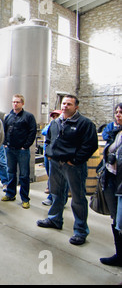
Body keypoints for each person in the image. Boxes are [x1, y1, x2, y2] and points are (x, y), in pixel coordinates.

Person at [37, 95, 98, 246]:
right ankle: (54, 219)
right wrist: (50, 155)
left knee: (78, 198)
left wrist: (75, 160)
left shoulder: (84, 123)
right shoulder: (56, 122)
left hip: (73, 167)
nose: (65, 106)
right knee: (56, 193)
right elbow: (50, 139)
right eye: (64, 103)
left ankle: (80, 231)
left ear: (76, 107)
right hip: (56, 164)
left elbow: (90, 145)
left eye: (69, 104)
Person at [1, 94, 37, 209]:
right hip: (10, 150)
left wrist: (25, 146)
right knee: (11, 173)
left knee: (24, 175)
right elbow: (4, 130)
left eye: (17, 102)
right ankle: (10, 194)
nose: (15, 104)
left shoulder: (28, 116)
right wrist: (5, 144)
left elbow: (32, 132)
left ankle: (25, 199)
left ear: (22, 103)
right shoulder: (8, 116)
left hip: (22, 151)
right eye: (13, 102)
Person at [100, 103, 122, 266]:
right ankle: (119, 255)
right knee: (115, 219)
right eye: (117, 112)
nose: (118, 115)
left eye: (121, 112)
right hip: (111, 178)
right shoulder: (116, 131)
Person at [41, 109, 65, 206]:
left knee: (61, 179)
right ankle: (52, 196)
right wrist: (48, 153)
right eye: (53, 116)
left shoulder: (64, 125)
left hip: (61, 156)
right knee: (51, 176)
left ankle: (57, 199)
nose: (55, 118)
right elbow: (44, 132)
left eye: (57, 115)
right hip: (50, 155)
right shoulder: (52, 125)